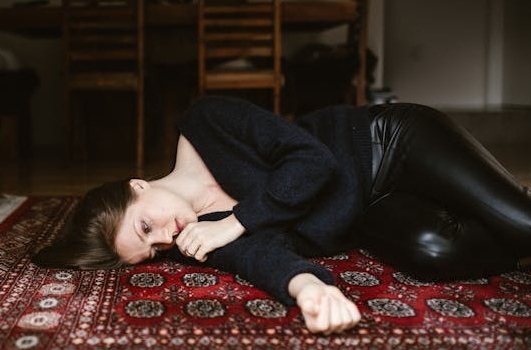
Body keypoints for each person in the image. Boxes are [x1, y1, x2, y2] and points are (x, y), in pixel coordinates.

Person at [33, 96, 531, 334]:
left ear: (137, 186)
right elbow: (260, 259)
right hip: (371, 206)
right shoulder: (197, 240)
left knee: (523, 224)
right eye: (152, 250)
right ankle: (503, 201)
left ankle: (511, 206)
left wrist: (238, 219)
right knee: (433, 252)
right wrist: (308, 288)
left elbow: (314, 161)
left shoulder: (207, 121)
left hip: (386, 143)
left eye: (147, 225)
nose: (166, 238)